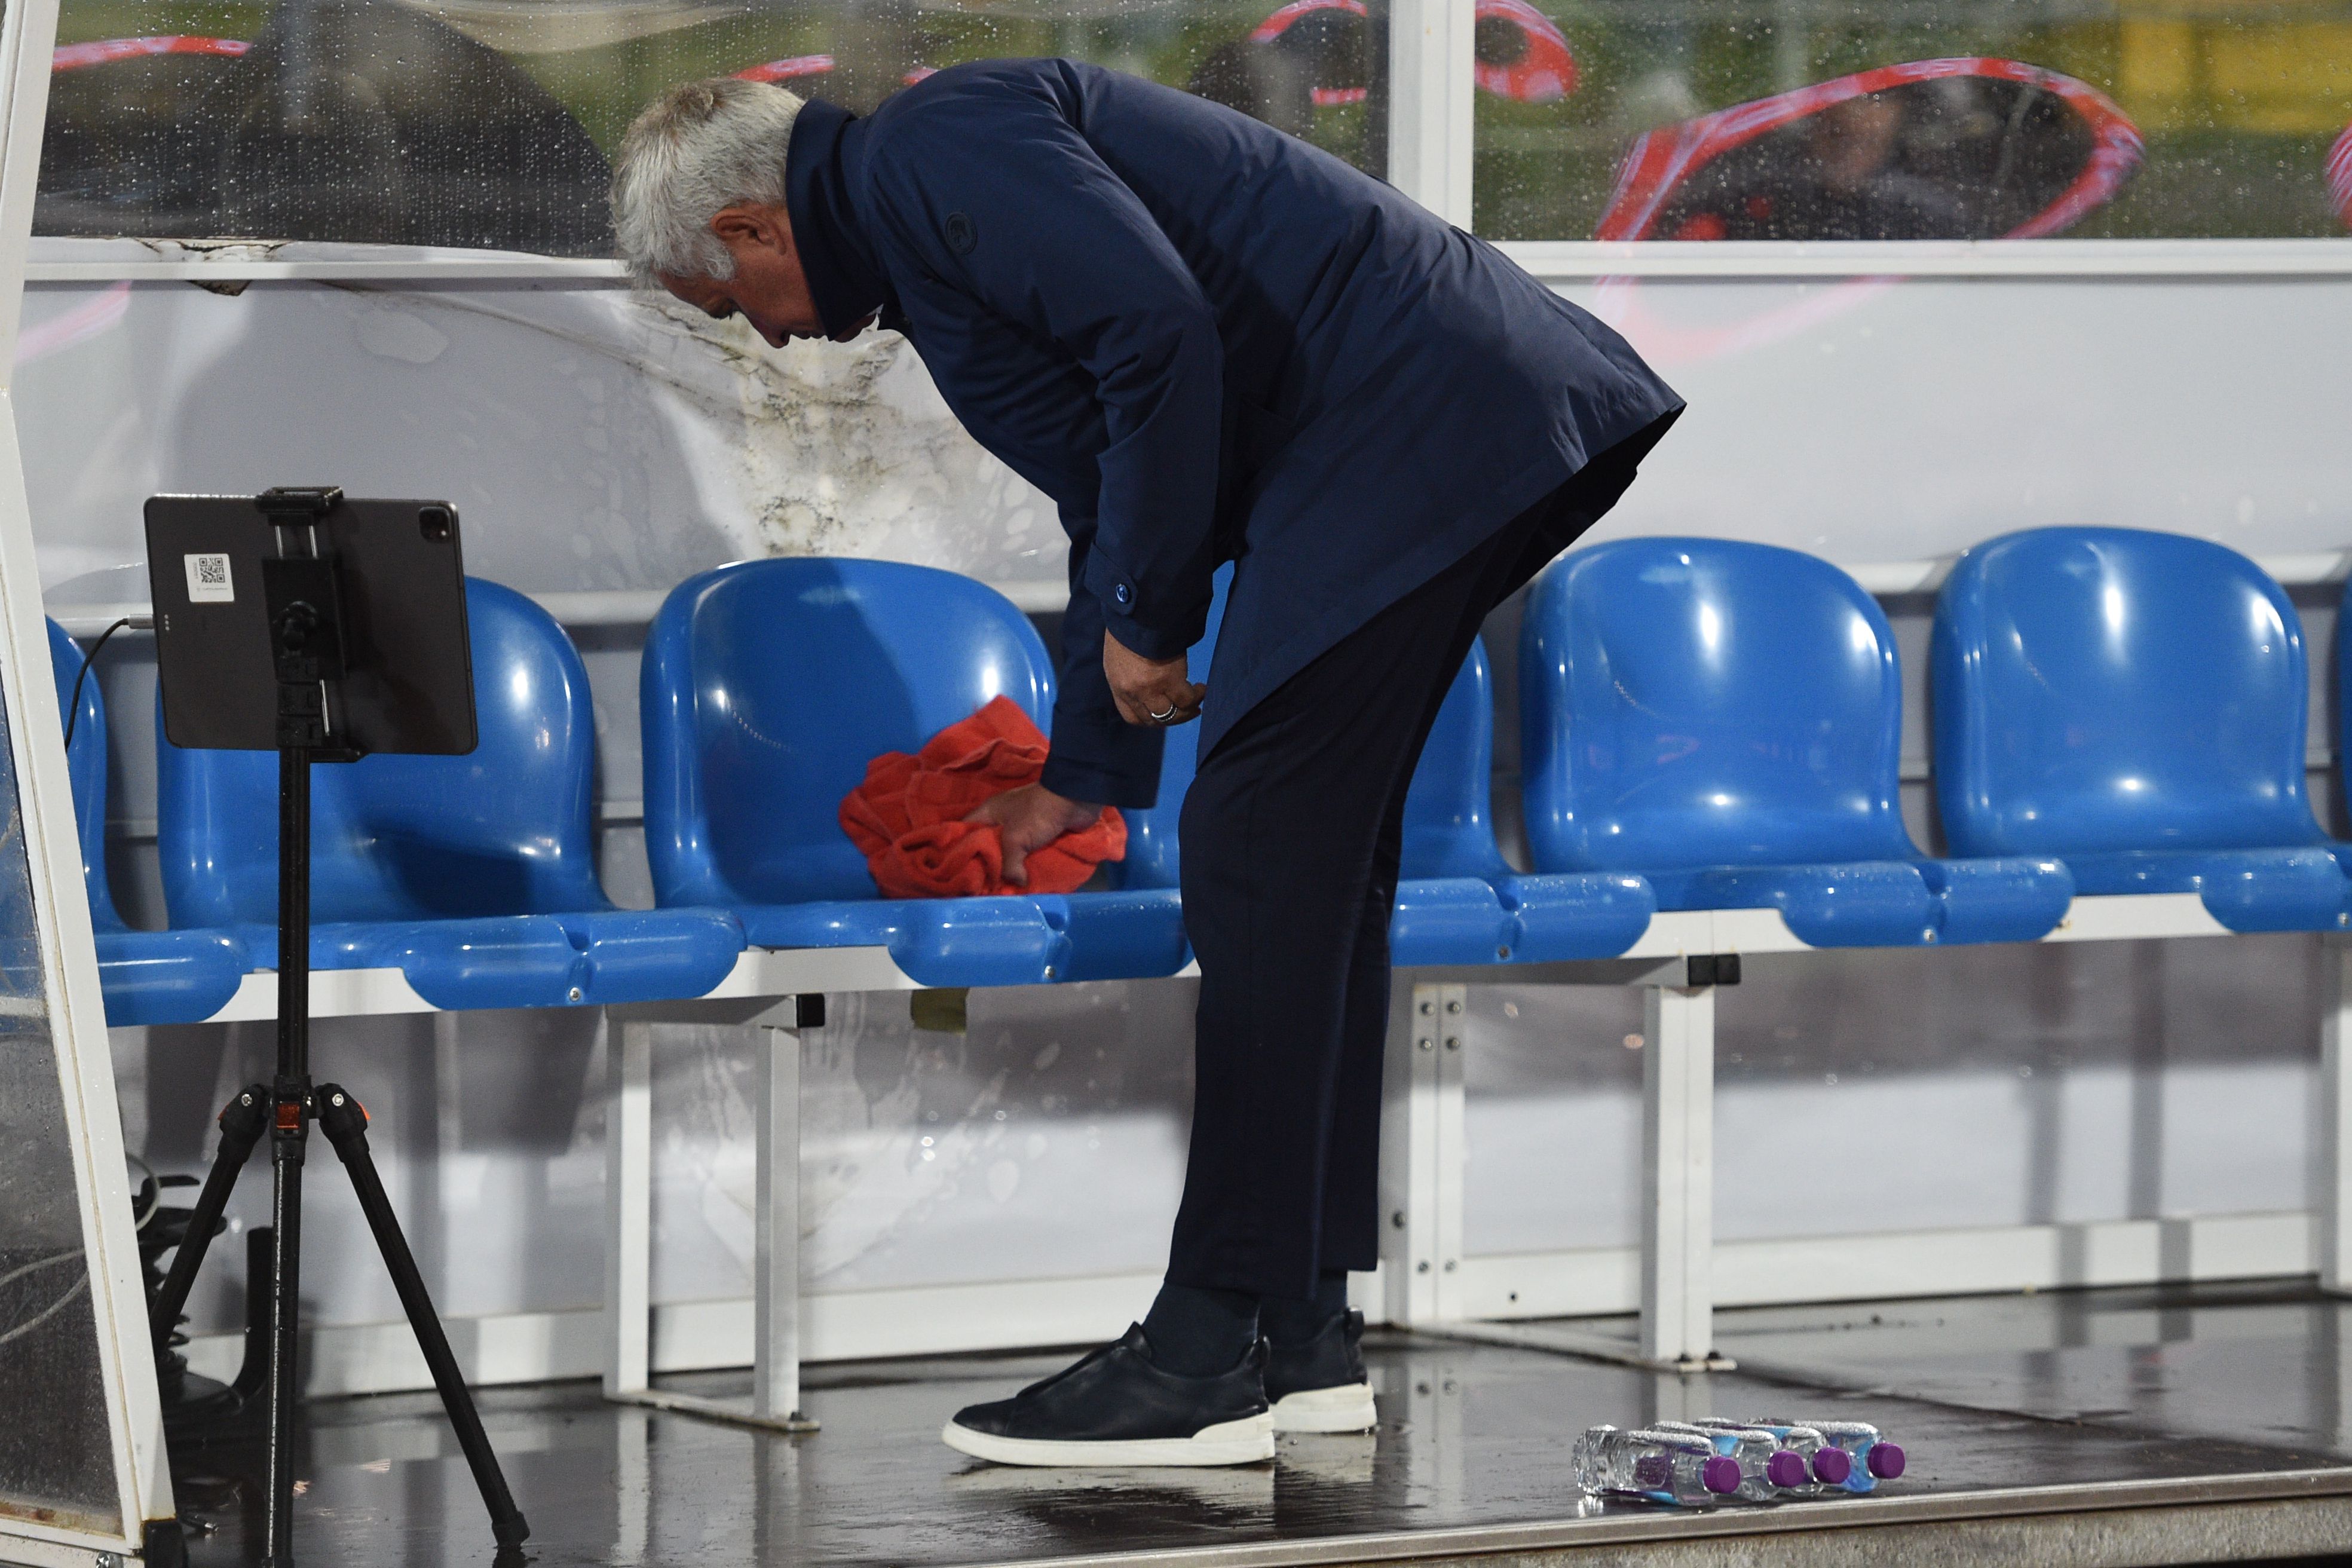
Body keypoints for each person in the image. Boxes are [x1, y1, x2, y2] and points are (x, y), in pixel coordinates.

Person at [610, 59, 1680, 1467]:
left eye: (732, 309)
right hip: (1433, 429)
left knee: (1254, 857)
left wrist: (1155, 620)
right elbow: (1110, 479)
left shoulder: (935, 146)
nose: (771, 343)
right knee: (1303, 875)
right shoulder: (930, 228)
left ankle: (1201, 1346)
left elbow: (1159, 336)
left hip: (1415, 425)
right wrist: (1086, 765)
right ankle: (1302, 1340)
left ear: (753, 228)